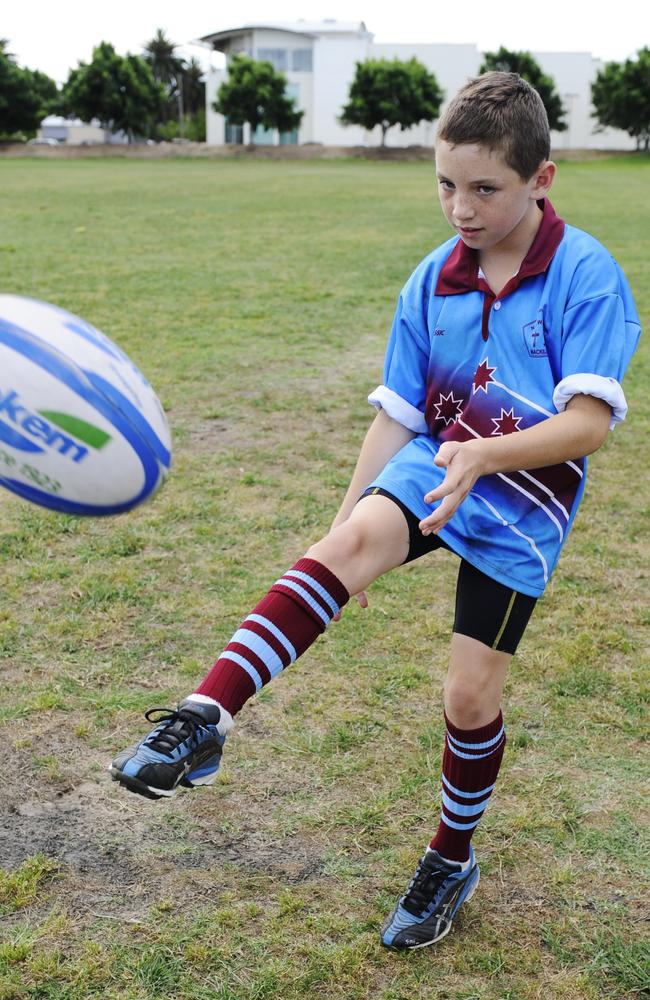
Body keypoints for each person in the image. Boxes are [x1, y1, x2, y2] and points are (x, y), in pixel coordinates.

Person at [109, 72, 640, 950]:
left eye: (484, 189)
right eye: (445, 184)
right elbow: (398, 411)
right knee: (348, 541)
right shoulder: (432, 279)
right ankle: (205, 717)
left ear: (541, 180)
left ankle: (450, 857)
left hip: (523, 492)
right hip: (440, 458)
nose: (459, 208)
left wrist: (488, 453)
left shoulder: (586, 275)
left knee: (469, 699)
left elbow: (587, 425)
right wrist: (346, 516)